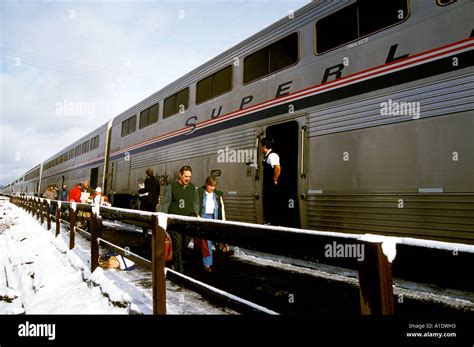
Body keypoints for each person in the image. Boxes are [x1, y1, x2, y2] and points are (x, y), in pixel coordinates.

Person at [159, 166, 199, 273]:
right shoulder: (171, 187)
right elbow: (165, 204)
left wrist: (197, 214)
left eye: (189, 176)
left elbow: (195, 203)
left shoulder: (192, 188)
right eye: (185, 176)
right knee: (177, 245)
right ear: (180, 175)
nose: (188, 179)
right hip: (175, 222)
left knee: (184, 246)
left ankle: (174, 262)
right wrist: (161, 220)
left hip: (188, 221)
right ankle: (179, 271)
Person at [195, 176, 225, 272]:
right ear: (206, 184)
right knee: (206, 243)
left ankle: (206, 260)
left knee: (215, 241)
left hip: (214, 218)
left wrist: (223, 219)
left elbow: (221, 207)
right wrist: (197, 215)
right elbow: (195, 204)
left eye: (214, 186)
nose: (212, 188)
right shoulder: (200, 192)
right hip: (203, 218)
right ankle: (207, 264)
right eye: (210, 186)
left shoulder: (216, 194)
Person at [260, 137, 282, 225]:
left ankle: (274, 222)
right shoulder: (267, 155)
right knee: (268, 202)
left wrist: (274, 179)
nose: (261, 148)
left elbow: (277, 167)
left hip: (272, 184)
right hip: (268, 184)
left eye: (261, 146)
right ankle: (269, 221)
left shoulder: (272, 155)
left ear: (264, 146)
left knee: (272, 202)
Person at [138, 168, 160, 237]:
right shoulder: (157, 180)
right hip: (154, 202)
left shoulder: (147, 180)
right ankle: (153, 232)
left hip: (147, 201)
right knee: (153, 217)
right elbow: (158, 191)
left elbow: (146, 189)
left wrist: (140, 189)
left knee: (145, 217)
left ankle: (145, 232)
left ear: (147, 173)